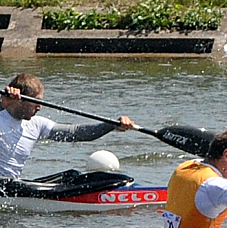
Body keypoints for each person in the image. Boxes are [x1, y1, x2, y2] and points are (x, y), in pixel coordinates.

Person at [0, 73, 135, 179]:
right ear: (19, 100)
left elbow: (76, 133)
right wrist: (2, 103)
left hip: (13, 185)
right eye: (36, 102)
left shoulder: (37, 125)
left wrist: (111, 125)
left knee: (72, 177)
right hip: (4, 186)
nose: (40, 107)